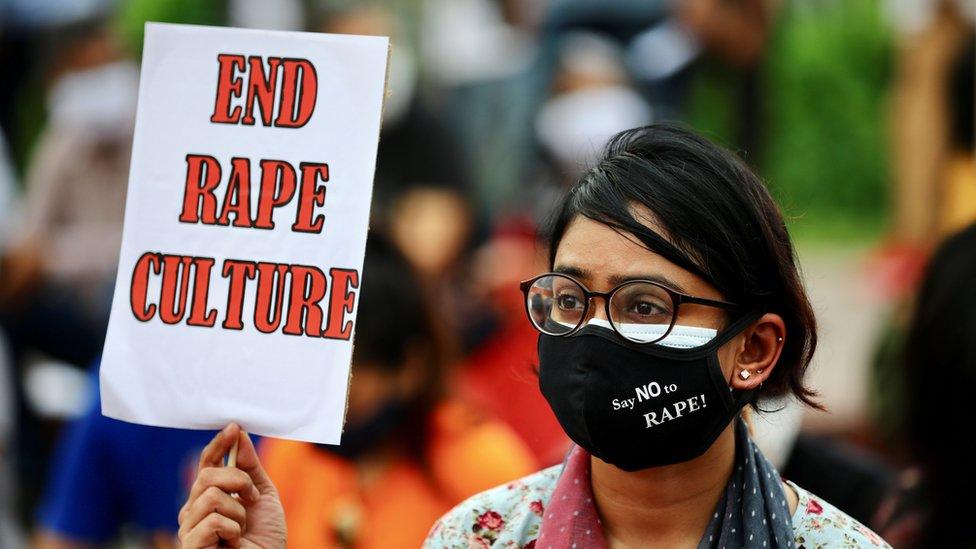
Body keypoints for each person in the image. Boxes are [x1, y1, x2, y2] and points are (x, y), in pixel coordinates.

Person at [177, 124, 890, 548]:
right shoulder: (477, 537)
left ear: (755, 349)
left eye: (645, 306)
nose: (595, 331)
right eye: (571, 298)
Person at [226, 237, 537, 548]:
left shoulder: (482, 466)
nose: (324, 390)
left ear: (410, 367)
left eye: (348, 371)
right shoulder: (290, 453)